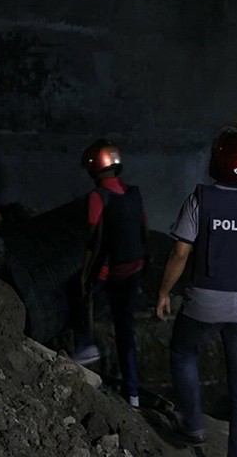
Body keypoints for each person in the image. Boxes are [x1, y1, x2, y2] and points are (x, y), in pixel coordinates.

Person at [155, 122, 237, 456]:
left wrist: (163, 292)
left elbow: (179, 253)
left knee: (184, 353)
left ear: (217, 160)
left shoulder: (199, 199)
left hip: (204, 301)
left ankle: (193, 425)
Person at [73, 139, 148, 408]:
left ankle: (85, 347)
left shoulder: (98, 197)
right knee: (125, 329)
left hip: (112, 270)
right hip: (135, 268)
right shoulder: (134, 193)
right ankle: (133, 393)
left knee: (81, 298)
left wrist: (85, 275)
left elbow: (93, 239)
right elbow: (143, 229)